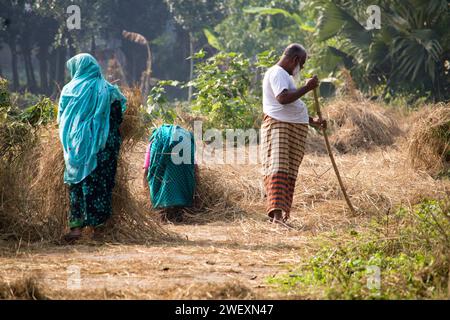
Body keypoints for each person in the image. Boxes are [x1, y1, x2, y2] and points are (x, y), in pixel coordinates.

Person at [58, 53, 127, 242]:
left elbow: (61, 119)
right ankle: (98, 231)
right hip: (102, 146)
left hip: (74, 147)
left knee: (76, 186)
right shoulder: (106, 89)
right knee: (99, 185)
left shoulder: (68, 90)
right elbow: (117, 116)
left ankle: (76, 229)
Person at [261, 43, 327, 225]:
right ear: (296, 60)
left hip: (291, 128)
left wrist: (313, 121)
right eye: (302, 63)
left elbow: (291, 106)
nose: (302, 68)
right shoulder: (277, 73)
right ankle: (277, 218)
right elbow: (282, 99)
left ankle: (281, 216)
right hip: (280, 128)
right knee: (279, 169)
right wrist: (307, 87)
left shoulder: (284, 76)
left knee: (289, 173)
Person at [143, 125, 196, 222]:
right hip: (186, 143)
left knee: (157, 177)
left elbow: (146, 170)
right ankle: (180, 208)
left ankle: (163, 209)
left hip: (173, 143)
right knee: (182, 173)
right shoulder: (185, 137)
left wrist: (147, 193)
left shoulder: (154, 141)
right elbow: (194, 168)